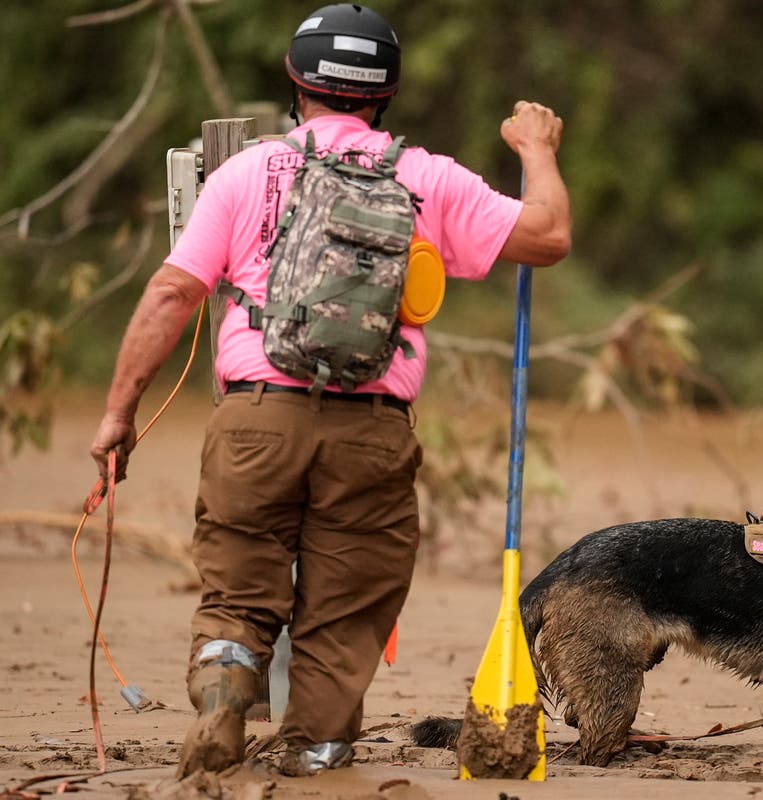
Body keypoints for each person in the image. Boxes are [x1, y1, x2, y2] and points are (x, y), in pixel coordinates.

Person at [88, 3, 570, 779]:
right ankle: (313, 747)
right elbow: (548, 237)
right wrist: (536, 148)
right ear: (386, 93)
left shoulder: (249, 171)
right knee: (345, 608)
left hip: (254, 420)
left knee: (239, 581)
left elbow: (171, 295)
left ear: (295, 81)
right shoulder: (426, 177)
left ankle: (223, 691)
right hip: (372, 431)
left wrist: (119, 413)